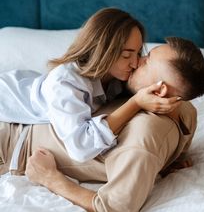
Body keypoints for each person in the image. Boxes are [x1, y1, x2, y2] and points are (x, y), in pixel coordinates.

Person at [0, 36, 204, 212]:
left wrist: (51, 179)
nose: (137, 61)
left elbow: (113, 209)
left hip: (13, 142)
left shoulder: (142, 140)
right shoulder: (186, 108)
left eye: (146, 61)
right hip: (17, 112)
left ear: (160, 89)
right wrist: (167, 161)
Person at [0, 8, 180, 164]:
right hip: (6, 93)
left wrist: (166, 159)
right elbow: (80, 148)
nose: (135, 63)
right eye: (126, 55)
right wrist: (136, 103)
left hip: (29, 82)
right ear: (102, 50)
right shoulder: (65, 83)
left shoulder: (117, 78)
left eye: (138, 53)